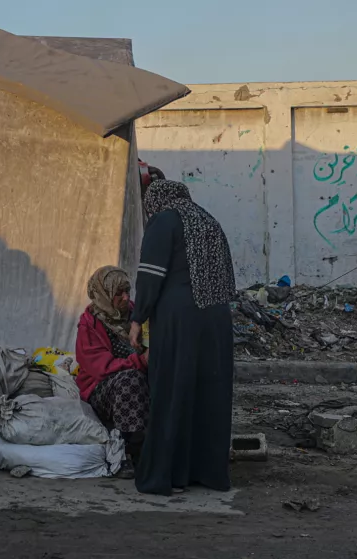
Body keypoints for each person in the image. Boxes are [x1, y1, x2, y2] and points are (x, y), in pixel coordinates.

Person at [128, 179, 236, 496]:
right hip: (216, 320)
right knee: (208, 395)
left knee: (172, 389)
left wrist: (138, 318)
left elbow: (150, 274)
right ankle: (208, 473)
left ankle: (165, 475)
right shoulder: (208, 220)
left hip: (180, 319)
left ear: (156, 202)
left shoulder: (165, 220)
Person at [75, 266, 150, 479]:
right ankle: (125, 450)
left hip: (137, 383)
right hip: (101, 391)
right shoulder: (89, 325)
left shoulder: (136, 316)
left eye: (128, 291)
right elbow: (101, 368)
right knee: (130, 380)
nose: (126, 298)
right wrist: (141, 361)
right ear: (104, 294)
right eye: (119, 293)